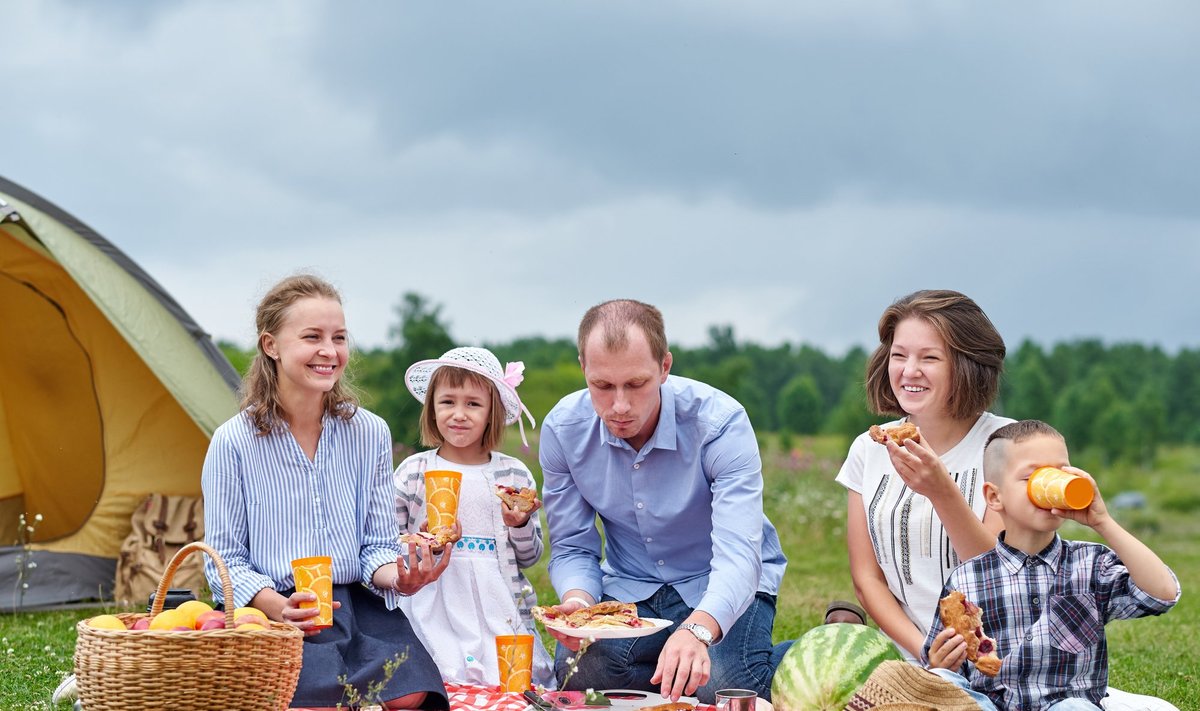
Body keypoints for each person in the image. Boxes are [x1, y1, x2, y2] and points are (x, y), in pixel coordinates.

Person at [202, 274, 449, 710]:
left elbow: (375, 545)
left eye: (338, 337)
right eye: (311, 337)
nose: (329, 351)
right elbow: (224, 560)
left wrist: (402, 578)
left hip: (359, 603)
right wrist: (278, 608)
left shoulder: (369, 432)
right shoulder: (233, 442)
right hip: (277, 612)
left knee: (412, 697)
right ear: (271, 345)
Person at [539, 299, 790, 705]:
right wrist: (578, 603)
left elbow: (740, 555)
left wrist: (698, 630)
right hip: (631, 585)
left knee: (720, 686)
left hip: (717, 578)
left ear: (664, 367)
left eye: (636, 384)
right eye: (602, 386)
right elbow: (572, 545)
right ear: (583, 367)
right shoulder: (563, 430)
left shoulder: (721, 423)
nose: (619, 405)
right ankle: (667, 664)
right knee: (580, 671)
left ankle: (819, 640)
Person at [924, 420, 1181, 711]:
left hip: (1064, 705)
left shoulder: (1090, 564)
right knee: (946, 687)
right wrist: (938, 663)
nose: (1049, 484)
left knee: (1074, 708)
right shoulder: (967, 579)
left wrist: (1102, 522)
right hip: (992, 705)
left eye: (1059, 473)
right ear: (995, 497)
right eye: (1032, 476)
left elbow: (1161, 595)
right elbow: (945, 666)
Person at [836, 289, 1013, 661]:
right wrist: (924, 650)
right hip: (911, 657)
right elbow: (867, 581)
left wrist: (941, 491)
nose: (908, 371)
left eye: (929, 358)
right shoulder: (868, 450)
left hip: (1001, 656)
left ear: (968, 365)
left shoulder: (1009, 446)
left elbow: (1002, 579)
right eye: (898, 356)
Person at [394, 346, 554, 688]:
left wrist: (520, 524)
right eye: (448, 402)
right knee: (439, 671)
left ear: (491, 411)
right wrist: (425, 544)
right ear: (432, 407)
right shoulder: (414, 471)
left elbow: (529, 557)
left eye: (473, 404)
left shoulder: (512, 475)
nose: (459, 414)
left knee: (506, 681)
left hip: (496, 599)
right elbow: (388, 546)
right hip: (435, 597)